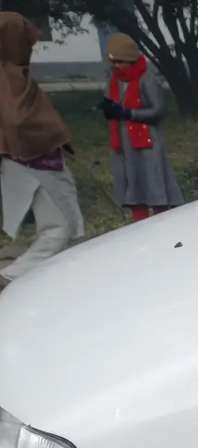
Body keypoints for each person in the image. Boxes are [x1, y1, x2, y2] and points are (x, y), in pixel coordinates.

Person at [0, 12, 84, 291]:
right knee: (59, 229)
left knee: (64, 224)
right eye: (27, 41)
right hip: (33, 163)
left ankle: (52, 281)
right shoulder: (8, 77)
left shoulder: (15, 71)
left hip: (39, 159)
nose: (32, 47)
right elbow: (17, 122)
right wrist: (48, 135)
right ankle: (11, 277)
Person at [99, 33, 183, 222]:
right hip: (122, 142)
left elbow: (159, 110)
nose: (116, 66)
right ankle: (139, 224)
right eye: (114, 62)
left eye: (120, 62)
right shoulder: (115, 79)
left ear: (131, 60)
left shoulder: (146, 78)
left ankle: (162, 222)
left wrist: (129, 114)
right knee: (132, 183)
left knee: (153, 182)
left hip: (146, 141)